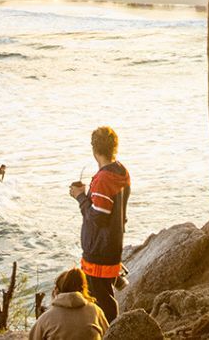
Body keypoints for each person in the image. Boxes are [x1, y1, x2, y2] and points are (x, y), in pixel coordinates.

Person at [69, 126, 130, 323]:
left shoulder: (104, 179)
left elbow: (98, 217)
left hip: (99, 250)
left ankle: (110, 333)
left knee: (101, 300)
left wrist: (80, 197)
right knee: (103, 295)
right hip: (111, 243)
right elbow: (112, 211)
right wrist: (88, 195)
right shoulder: (121, 172)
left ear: (95, 149)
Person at [29, 268, 108, 340]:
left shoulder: (46, 319)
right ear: (83, 288)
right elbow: (109, 334)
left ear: (56, 290)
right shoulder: (95, 312)